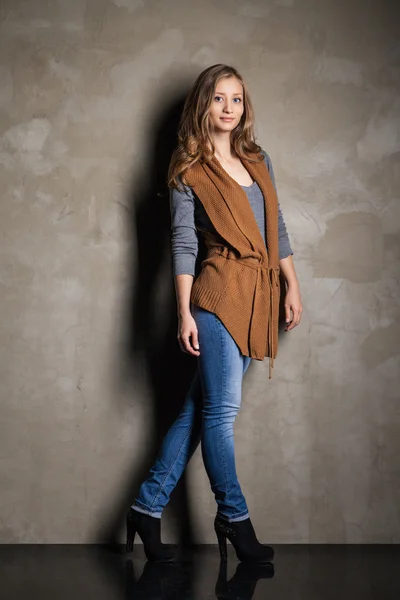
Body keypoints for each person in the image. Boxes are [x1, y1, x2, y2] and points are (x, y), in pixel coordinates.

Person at [126, 64, 303, 563]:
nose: (229, 108)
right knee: (221, 414)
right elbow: (182, 245)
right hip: (216, 293)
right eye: (219, 98)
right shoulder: (188, 171)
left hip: (259, 295)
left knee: (197, 410)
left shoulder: (257, 158)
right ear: (203, 104)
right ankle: (234, 516)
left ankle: (145, 507)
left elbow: (277, 226)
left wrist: (292, 284)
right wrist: (183, 313)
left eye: (237, 100)